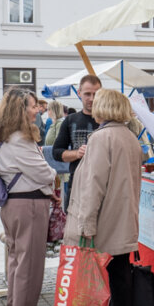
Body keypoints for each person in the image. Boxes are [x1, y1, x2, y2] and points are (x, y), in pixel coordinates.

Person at [62, 89, 143, 306]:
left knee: (92, 276)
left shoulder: (101, 138)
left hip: (103, 219)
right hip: (123, 218)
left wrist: (86, 224)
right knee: (119, 270)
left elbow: (93, 185)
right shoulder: (130, 137)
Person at [0, 88, 56, 306]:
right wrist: (52, 176)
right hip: (29, 203)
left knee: (17, 260)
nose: (36, 109)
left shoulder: (2, 136)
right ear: (20, 109)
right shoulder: (20, 138)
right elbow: (43, 172)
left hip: (14, 203)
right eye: (32, 105)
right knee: (29, 262)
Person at [52, 75, 101, 207]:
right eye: (87, 94)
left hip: (103, 186)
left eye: (95, 94)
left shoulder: (108, 121)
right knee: (74, 226)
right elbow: (56, 153)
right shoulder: (70, 120)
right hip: (77, 184)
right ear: (79, 93)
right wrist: (77, 153)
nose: (91, 98)